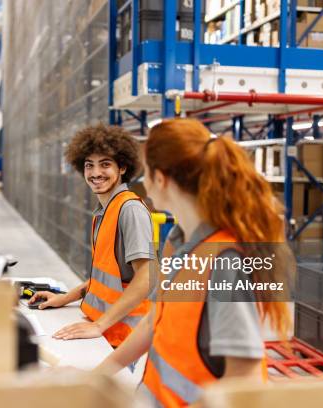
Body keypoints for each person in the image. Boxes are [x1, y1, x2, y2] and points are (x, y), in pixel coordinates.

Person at [94, 118, 293, 407]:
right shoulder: (180, 241)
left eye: (146, 173)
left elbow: (245, 381)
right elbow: (155, 320)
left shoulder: (225, 263)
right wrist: (98, 376)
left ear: (160, 178)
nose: (143, 182)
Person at [29, 124, 156, 347]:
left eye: (105, 164)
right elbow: (105, 278)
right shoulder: (105, 210)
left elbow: (146, 278)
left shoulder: (130, 209)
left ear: (123, 167)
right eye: (90, 166)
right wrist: (65, 297)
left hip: (127, 337)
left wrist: (99, 325)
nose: (96, 173)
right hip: (107, 329)